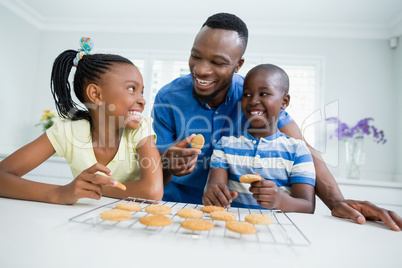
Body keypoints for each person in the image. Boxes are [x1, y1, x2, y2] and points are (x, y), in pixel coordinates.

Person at [152, 13, 402, 231]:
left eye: (217, 62)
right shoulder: (167, 97)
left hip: (234, 216)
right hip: (176, 207)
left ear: (238, 65)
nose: (202, 70)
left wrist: (337, 201)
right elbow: (155, 164)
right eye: (196, 57)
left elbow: (302, 147)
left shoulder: (252, 96)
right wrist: (166, 162)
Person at [0, 37, 163, 204]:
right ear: (96, 95)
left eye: (141, 92)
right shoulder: (68, 131)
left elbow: (152, 191)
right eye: (131, 89)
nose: (142, 100)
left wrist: (92, 188)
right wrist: (60, 192)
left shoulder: (140, 128)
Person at [204, 64, 315, 213]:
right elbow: (214, 186)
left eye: (264, 94)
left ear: (284, 101)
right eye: (247, 94)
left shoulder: (298, 151)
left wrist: (280, 200)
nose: (253, 101)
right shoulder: (225, 145)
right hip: (232, 227)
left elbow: (307, 207)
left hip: (279, 231)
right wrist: (215, 195)